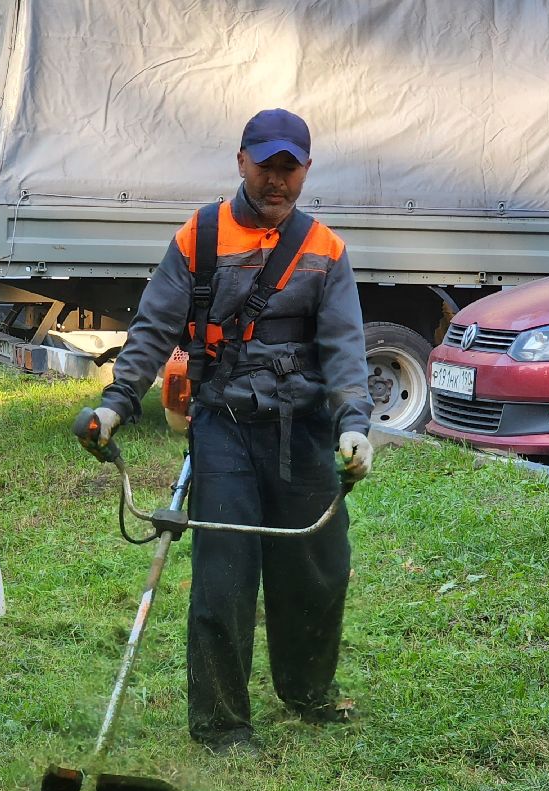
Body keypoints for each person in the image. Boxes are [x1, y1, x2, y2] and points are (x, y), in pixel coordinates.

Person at [75, 108, 374, 751]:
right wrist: (116, 404)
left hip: (305, 430)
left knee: (317, 567)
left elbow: (346, 349)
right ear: (241, 161)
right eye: (265, 165)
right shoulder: (198, 237)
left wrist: (354, 426)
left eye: (288, 169)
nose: (276, 180)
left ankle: (307, 691)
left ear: (305, 171)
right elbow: (154, 329)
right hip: (225, 426)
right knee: (225, 574)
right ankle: (221, 724)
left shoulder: (326, 251)